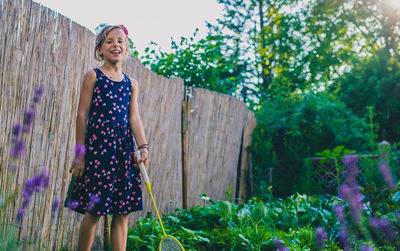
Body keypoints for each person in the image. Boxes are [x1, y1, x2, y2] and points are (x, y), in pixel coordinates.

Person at [64, 24, 149, 251]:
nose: (116, 45)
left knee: (122, 213)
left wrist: (143, 147)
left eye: (120, 41)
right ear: (100, 49)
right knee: (94, 212)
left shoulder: (132, 84)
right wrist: (79, 155)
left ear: (127, 47)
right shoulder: (93, 76)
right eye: (110, 41)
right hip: (99, 152)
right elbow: (82, 115)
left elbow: (134, 118)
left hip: (124, 152)